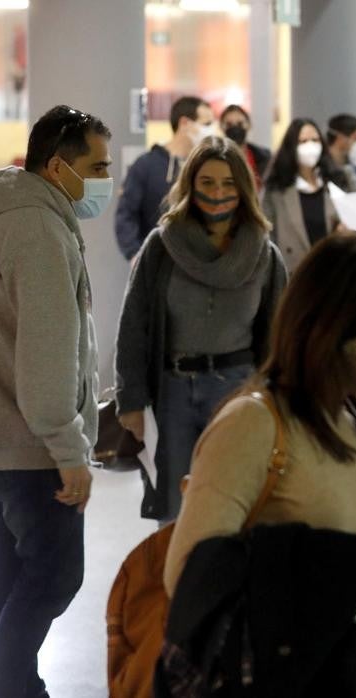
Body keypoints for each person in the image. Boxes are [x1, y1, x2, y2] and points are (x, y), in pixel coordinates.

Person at [164, 235, 356, 692]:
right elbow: (188, 576)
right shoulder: (253, 424)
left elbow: (347, 556)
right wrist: (349, 570)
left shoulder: (343, 417)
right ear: (332, 325)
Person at [0, 105, 113, 698]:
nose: (104, 179)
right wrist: (69, 449)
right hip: (30, 444)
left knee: (13, 570)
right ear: (58, 166)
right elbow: (48, 354)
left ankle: (14, 684)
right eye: (96, 166)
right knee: (54, 576)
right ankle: (3, 689)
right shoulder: (40, 232)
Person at [115, 136, 288, 523]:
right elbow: (134, 326)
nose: (217, 193)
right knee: (175, 511)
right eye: (207, 182)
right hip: (173, 391)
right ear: (190, 185)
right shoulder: (161, 247)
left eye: (228, 184)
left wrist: (283, 402)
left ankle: (226, 581)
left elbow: (281, 336)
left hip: (239, 392)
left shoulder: (263, 254)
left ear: (243, 189)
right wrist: (131, 400)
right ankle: (174, 581)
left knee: (235, 503)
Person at [262, 117, 356, 273]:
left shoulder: (340, 179)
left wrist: (350, 230)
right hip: (294, 276)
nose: (310, 146)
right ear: (291, 146)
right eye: (303, 141)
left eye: (315, 140)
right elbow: (267, 238)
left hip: (338, 271)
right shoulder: (277, 190)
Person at [115, 95, 214, 260]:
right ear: (185, 124)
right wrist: (135, 255)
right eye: (206, 124)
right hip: (157, 263)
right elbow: (126, 215)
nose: (211, 130)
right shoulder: (146, 166)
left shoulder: (207, 167)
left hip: (199, 265)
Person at [220, 104, 271, 188]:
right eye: (229, 124)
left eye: (240, 124)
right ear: (222, 127)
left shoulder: (265, 157)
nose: (235, 128)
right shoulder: (215, 157)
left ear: (249, 125)